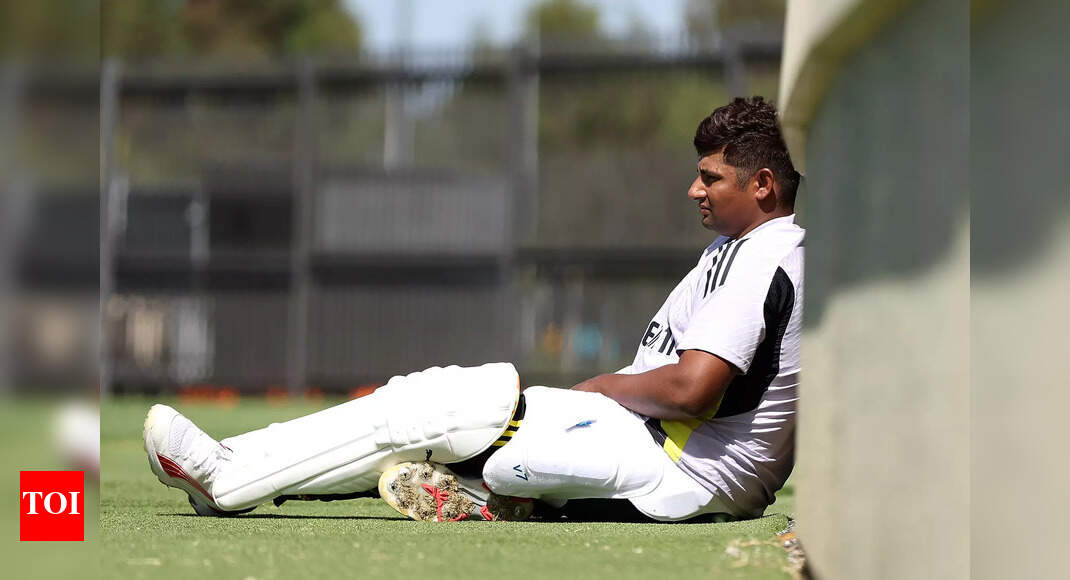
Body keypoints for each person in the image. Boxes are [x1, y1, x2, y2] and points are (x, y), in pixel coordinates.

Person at [143, 96, 804, 523]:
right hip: (667, 453)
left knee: (455, 409)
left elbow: (692, 390)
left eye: (710, 177)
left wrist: (602, 388)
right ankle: (486, 488)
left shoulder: (761, 258)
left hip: (676, 466)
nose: (693, 189)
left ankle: (228, 476)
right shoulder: (756, 249)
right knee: (439, 409)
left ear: (763, 184)